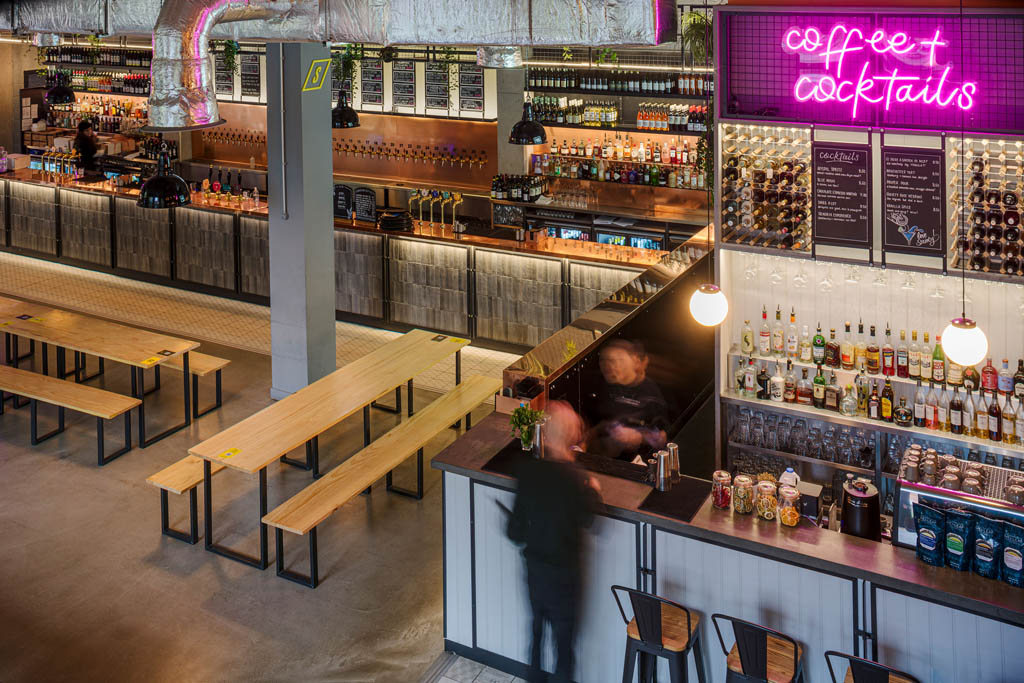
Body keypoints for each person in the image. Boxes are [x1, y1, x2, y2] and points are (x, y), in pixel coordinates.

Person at [506, 401, 601, 683]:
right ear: (575, 436)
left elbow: (514, 532)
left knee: (536, 634)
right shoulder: (577, 480)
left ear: (545, 435)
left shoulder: (527, 472)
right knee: (563, 645)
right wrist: (593, 490)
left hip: (535, 570)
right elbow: (589, 520)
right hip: (565, 575)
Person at [586, 339, 669, 461]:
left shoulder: (653, 394)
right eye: (603, 360)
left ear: (635, 362)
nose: (608, 366)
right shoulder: (600, 386)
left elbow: (664, 436)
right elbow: (594, 424)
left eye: (617, 360)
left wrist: (639, 437)